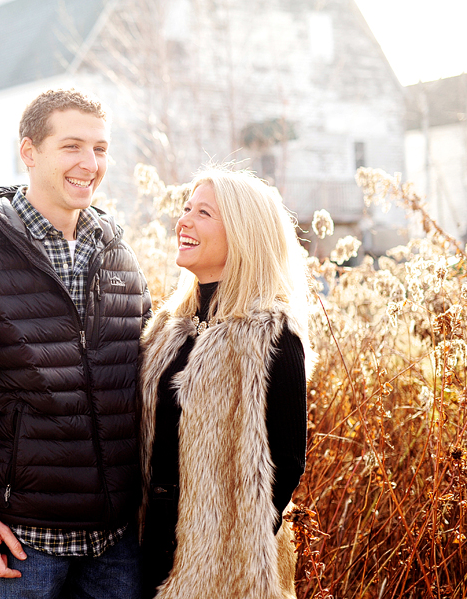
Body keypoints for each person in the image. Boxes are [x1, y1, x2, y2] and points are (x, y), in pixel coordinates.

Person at [0, 88, 151, 599]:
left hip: (116, 548)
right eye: (72, 146)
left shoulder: (121, 260)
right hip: (23, 550)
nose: (90, 163)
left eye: (101, 149)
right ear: (30, 152)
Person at [137, 166, 312, 599]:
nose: (184, 221)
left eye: (204, 213)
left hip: (222, 571)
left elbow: (287, 463)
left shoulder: (270, 335)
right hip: (144, 549)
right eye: (186, 208)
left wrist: (226, 554)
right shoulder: (166, 329)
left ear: (243, 231)